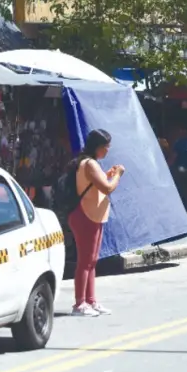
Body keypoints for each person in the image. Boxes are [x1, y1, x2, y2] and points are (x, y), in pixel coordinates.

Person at [68, 129, 123, 317]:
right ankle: (79, 304)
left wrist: (107, 174)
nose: (107, 151)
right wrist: (118, 175)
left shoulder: (93, 164)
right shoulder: (89, 164)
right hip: (85, 215)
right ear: (97, 147)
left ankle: (91, 301)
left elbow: (96, 184)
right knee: (85, 262)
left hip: (94, 214)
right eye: (106, 147)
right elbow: (107, 188)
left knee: (92, 261)